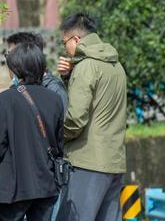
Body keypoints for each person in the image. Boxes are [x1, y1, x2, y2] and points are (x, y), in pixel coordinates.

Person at [55, 12, 127, 221]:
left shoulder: (85, 66)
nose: (65, 49)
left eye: (65, 43)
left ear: (76, 40)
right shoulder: (116, 66)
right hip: (114, 161)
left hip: (88, 162)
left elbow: (76, 119)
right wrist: (69, 77)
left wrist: (57, 138)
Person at [0, 43, 65, 221]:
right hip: (45, 183)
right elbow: (59, 144)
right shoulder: (54, 99)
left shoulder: (6, 98)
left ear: (17, 69)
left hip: (13, 183)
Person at [7, 32, 68, 110]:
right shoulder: (17, 89)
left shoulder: (55, 90)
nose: (9, 61)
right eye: (8, 56)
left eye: (12, 55)